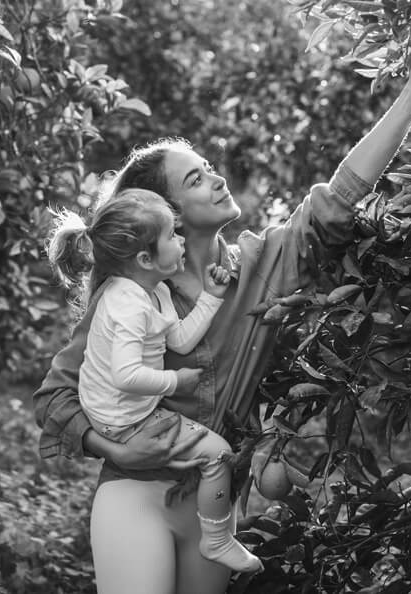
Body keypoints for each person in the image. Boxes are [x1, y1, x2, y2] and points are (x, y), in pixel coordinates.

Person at [34, 30, 411, 594]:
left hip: (217, 505)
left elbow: (336, 198)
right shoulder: (129, 295)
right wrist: (112, 446)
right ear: (172, 217)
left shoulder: (264, 264)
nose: (216, 176)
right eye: (195, 178)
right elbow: (54, 397)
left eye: (208, 165)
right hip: (133, 495)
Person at [45, 188, 263, 574]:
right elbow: (125, 375)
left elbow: (178, 338)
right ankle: (216, 540)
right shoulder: (127, 306)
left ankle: (214, 537)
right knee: (218, 454)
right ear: (146, 258)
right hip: (123, 418)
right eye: (172, 236)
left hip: (124, 409)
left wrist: (211, 298)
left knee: (212, 453)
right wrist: (174, 381)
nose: (181, 240)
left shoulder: (153, 289)